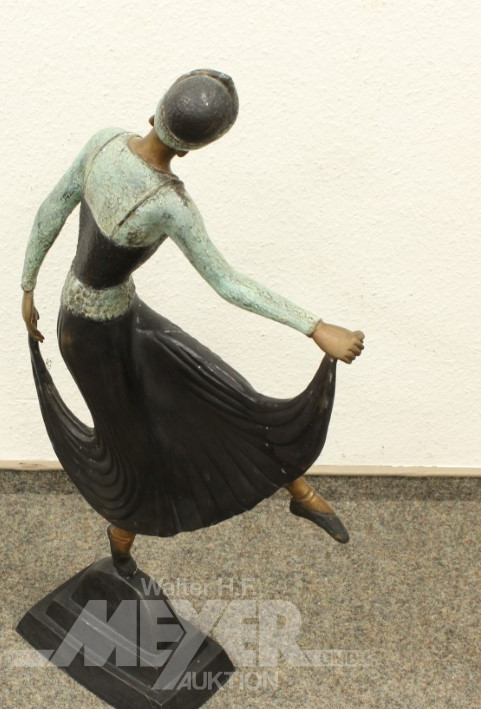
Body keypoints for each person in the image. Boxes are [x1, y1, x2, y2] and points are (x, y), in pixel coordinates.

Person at [21, 70, 365, 576]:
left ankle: (298, 489)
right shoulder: (169, 204)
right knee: (134, 449)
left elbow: (50, 210)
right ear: (189, 150)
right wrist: (314, 326)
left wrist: (28, 287)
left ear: (154, 113)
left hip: (118, 315)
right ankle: (121, 546)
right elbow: (227, 282)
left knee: (221, 388)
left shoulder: (103, 142)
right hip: (90, 340)